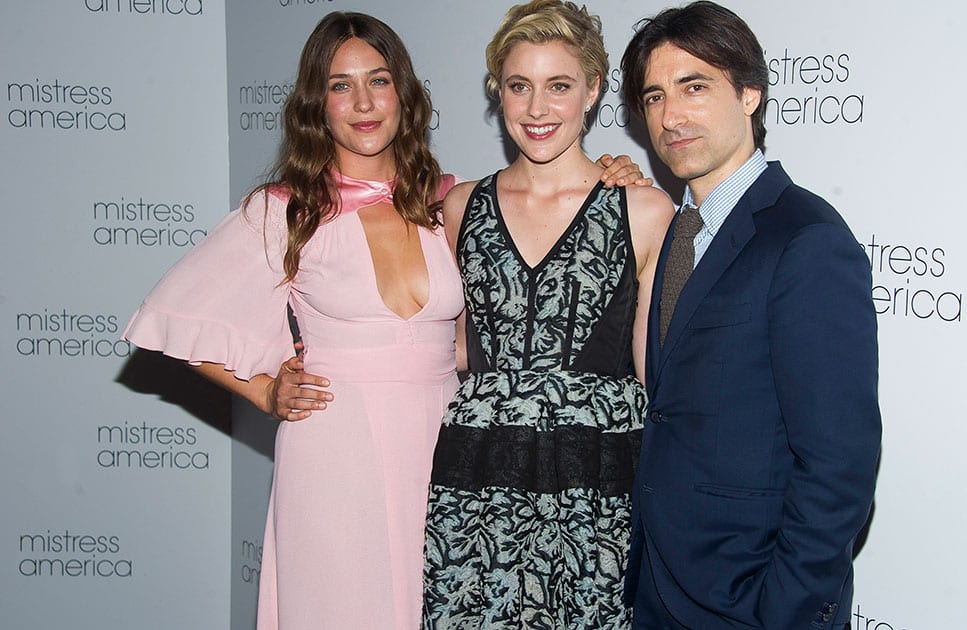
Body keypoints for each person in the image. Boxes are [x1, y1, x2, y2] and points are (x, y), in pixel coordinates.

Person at [124, 11, 645, 629]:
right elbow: (168, 318)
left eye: (379, 80)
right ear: (318, 104)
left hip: (454, 451)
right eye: (341, 85)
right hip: (333, 454)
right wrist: (264, 390)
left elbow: (494, 325)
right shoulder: (287, 212)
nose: (364, 102)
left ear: (405, 92)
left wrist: (615, 174)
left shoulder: (447, 204)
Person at [619, 2, 882, 628]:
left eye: (695, 87)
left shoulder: (805, 238)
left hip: (751, 600)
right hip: (662, 586)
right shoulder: (679, 232)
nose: (671, 116)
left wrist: (782, 608)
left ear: (750, 95)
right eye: (654, 97)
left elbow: (839, 463)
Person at [420, 1, 673, 627]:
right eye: (518, 86)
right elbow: (449, 348)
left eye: (558, 86)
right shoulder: (457, 207)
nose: (537, 110)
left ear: (592, 91)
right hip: (477, 487)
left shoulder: (643, 212)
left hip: (598, 493)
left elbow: (657, 378)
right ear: (496, 93)